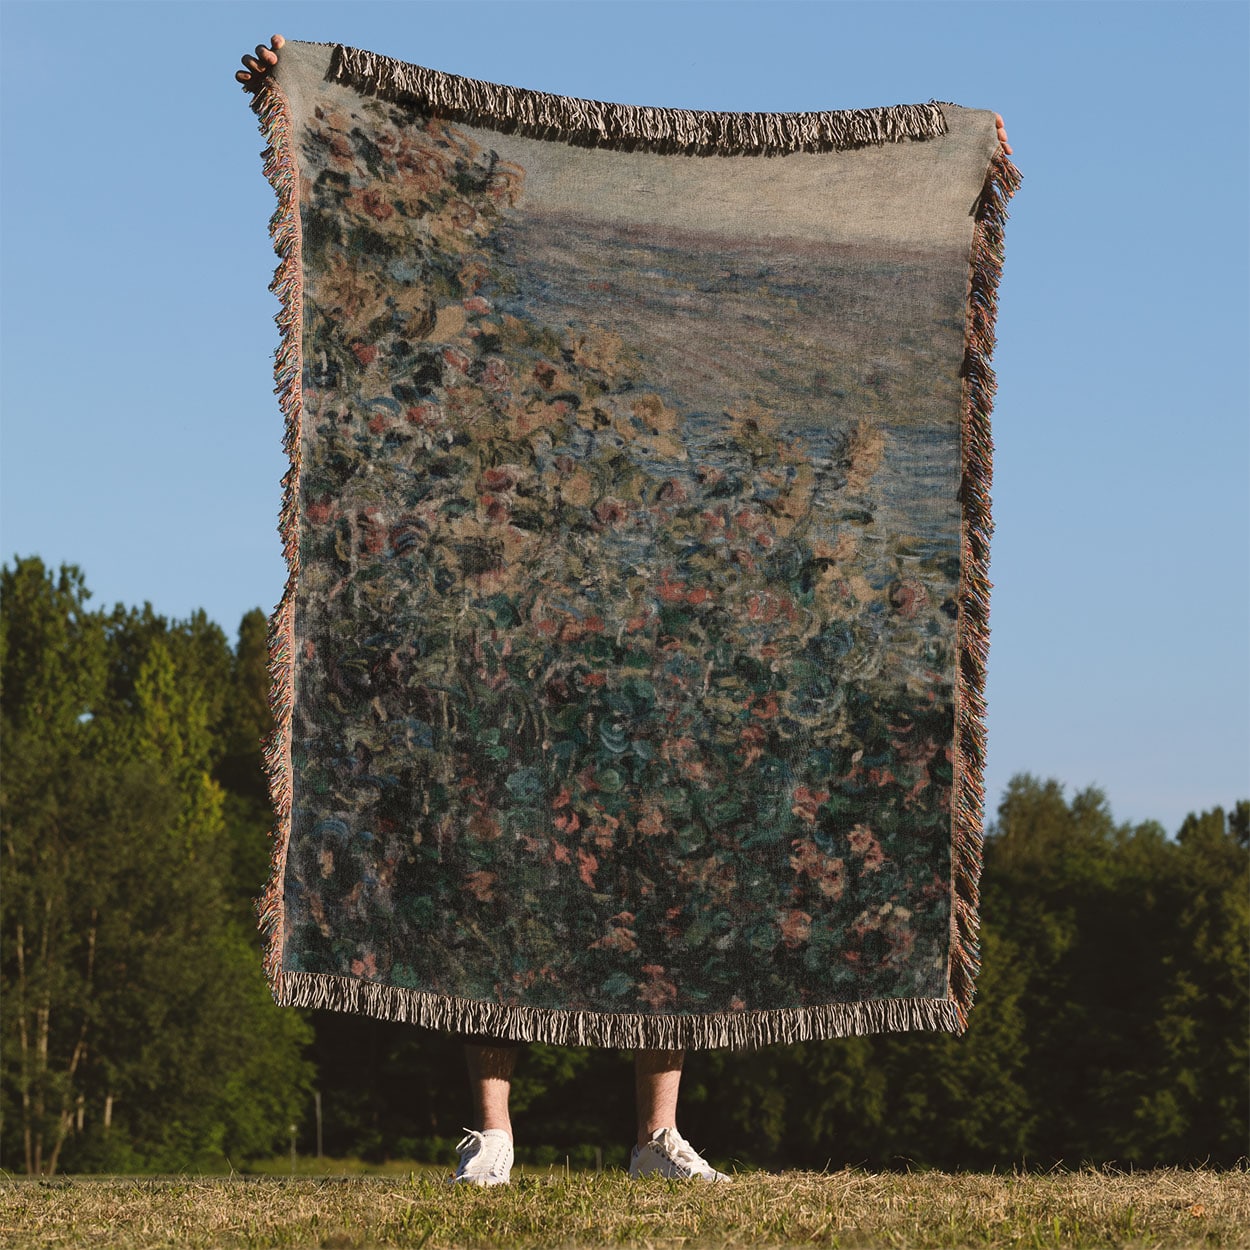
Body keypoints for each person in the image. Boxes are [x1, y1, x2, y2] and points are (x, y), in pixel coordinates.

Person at [235, 35, 1013, 1187]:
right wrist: (293, 80)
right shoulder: (523, 403)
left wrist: (964, 161)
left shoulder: (669, 449)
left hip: (643, 656)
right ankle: (492, 1132)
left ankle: (655, 1135)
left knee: (664, 878)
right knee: (486, 860)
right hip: (525, 637)